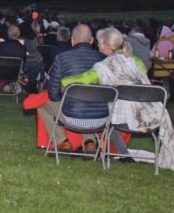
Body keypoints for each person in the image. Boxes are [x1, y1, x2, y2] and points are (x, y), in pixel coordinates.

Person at [60, 27, 174, 164]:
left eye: (100, 43)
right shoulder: (135, 60)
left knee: (106, 116)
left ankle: (113, 151)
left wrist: (62, 81)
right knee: (110, 114)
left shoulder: (104, 66)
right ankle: (123, 154)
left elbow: (84, 79)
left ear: (106, 46)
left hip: (126, 117)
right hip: (153, 113)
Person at [38, 24, 106, 153]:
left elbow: (53, 93)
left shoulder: (62, 58)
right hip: (101, 119)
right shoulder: (104, 60)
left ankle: (62, 141)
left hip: (72, 116)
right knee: (87, 103)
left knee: (42, 106)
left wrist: (62, 98)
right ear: (91, 40)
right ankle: (89, 141)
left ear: (73, 40)